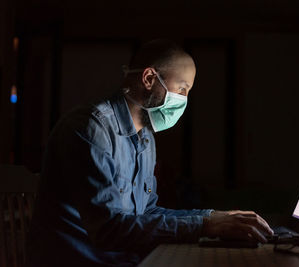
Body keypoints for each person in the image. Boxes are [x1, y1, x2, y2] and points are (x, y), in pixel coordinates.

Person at [27, 39, 273, 266]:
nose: (184, 100)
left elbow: (147, 213)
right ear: (148, 79)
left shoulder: (145, 138)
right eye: (182, 89)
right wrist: (206, 225)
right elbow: (109, 230)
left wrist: (215, 216)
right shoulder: (90, 129)